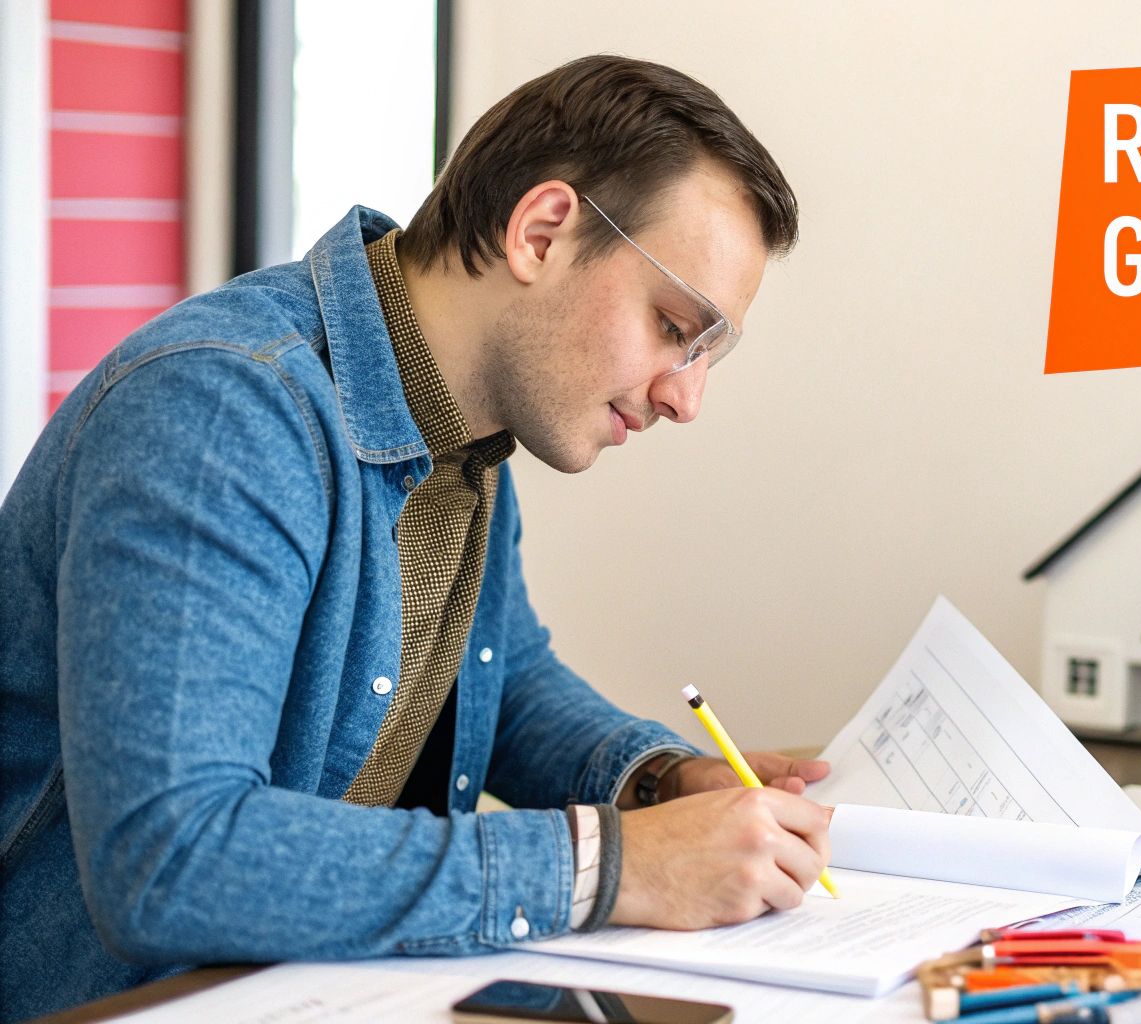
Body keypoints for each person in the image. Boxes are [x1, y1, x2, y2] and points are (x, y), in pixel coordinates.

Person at [0, 55, 832, 1021]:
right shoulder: (223, 412)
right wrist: (609, 865)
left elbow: (503, 678)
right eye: (672, 326)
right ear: (543, 231)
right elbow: (173, 857)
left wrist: (656, 783)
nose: (684, 398)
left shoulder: (468, 432)